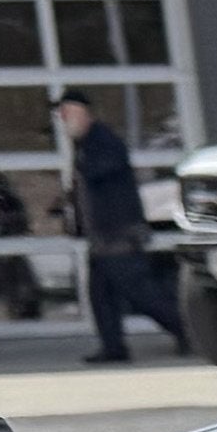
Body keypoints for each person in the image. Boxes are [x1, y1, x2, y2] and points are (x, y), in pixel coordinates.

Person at [54, 95, 169, 364]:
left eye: (69, 114)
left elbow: (102, 174)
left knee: (141, 293)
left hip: (118, 235)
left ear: (85, 114)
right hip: (101, 238)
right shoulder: (84, 144)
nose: (65, 121)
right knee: (101, 296)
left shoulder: (102, 141)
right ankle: (113, 347)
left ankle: (189, 332)